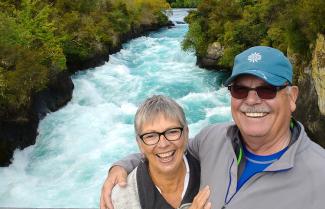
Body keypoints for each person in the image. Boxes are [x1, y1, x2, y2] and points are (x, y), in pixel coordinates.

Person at [100, 46, 325, 209]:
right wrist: (121, 166)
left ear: (292, 97)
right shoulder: (213, 139)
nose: (252, 100)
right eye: (240, 89)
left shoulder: (319, 174)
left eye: (266, 89)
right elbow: (168, 149)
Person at [108, 95, 211, 209]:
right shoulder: (121, 198)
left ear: (186, 133)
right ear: (139, 143)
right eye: (151, 136)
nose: (163, 144)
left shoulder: (210, 166)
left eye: (172, 132)